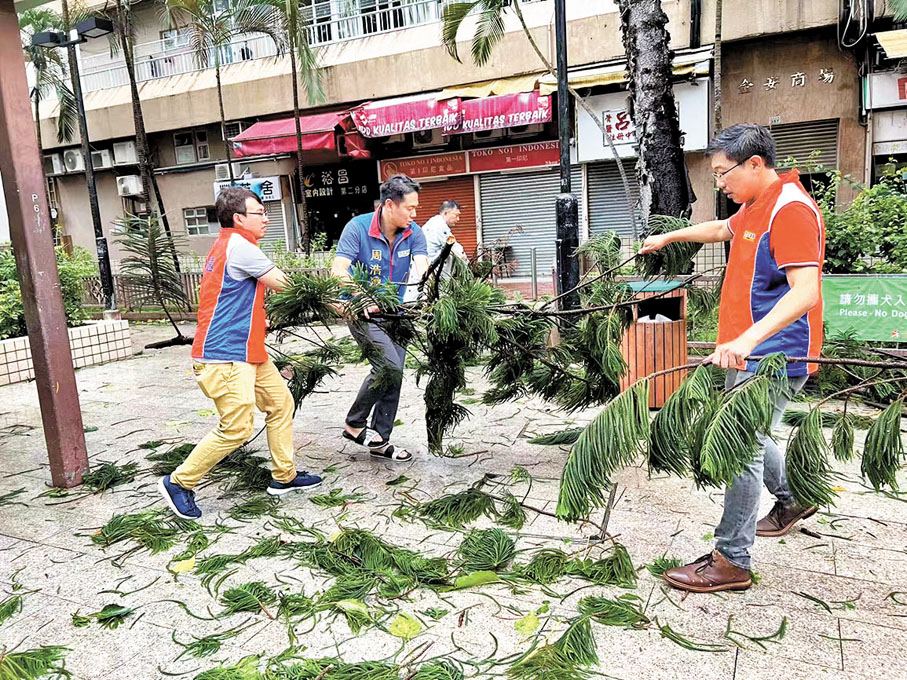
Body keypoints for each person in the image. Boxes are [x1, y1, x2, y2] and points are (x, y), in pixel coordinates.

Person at [638, 123, 825, 592]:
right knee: (755, 437)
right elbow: (724, 228)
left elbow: (805, 293)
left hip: (773, 357)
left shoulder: (791, 211)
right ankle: (794, 498)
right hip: (748, 353)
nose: (719, 182)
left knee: (739, 447)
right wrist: (672, 237)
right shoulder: (757, 206)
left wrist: (748, 341)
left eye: (723, 173)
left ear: (755, 164)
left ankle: (732, 559)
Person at [158, 187, 322, 520]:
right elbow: (285, 284)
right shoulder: (240, 247)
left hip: (247, 351)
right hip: (225, 355)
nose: (266, 218)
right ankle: (179, 482)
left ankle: (284, 476)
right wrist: (334, 301)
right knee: (236, 427)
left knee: (279, 404)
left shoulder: (227, 246)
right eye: (260, 213)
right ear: (238, 218)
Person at [330, 174, 429, 462]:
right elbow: (339, 270)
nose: (414, 214)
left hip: (398, 314)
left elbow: (421, 261)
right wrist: (361, 295)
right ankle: (354, 423)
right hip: (363, 312)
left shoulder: (414, 232)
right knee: (388, 366)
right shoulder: (358, 228)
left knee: (395, 375)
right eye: (409, 208)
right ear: (389, 205)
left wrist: (423, 276)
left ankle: (380, 441)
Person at [422, 200, 468, 265]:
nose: (458, 219)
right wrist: (468, 265)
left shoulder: (433, 221)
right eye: (456, 215)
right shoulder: (440, 226)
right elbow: (456, 250)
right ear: (446, 213)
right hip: (433, 267)